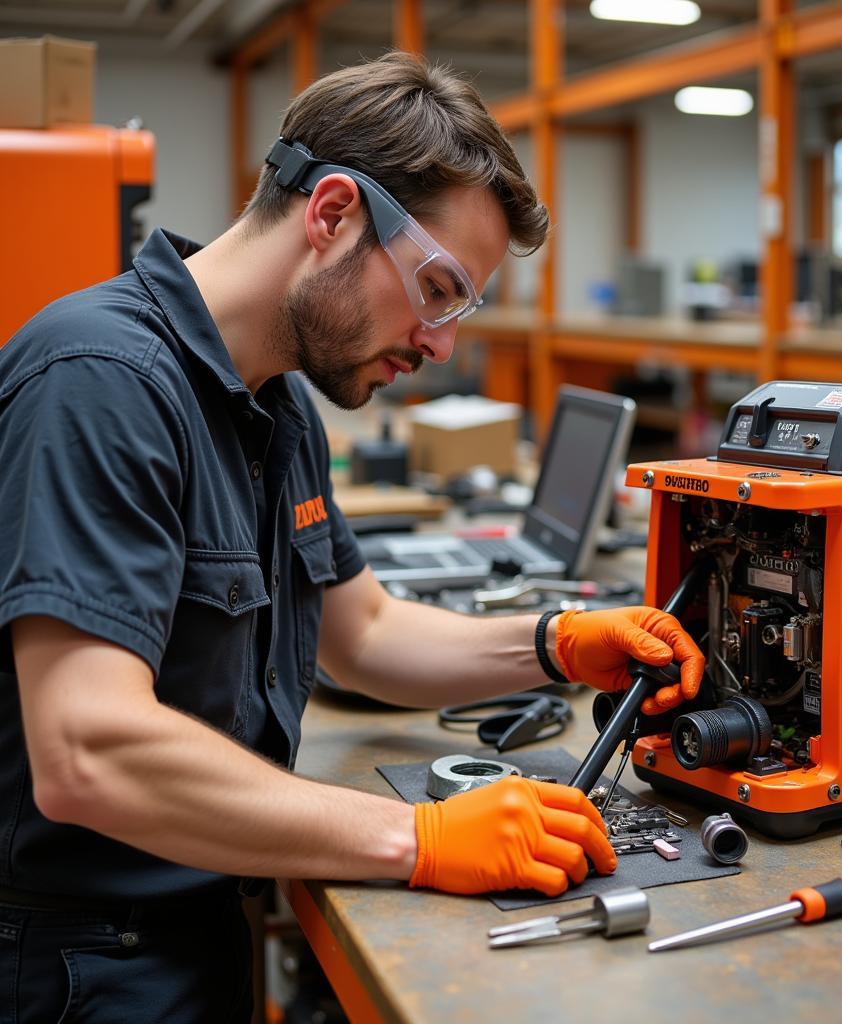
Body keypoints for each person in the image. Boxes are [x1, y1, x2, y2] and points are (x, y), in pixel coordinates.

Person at [0, 52, 703, 1020]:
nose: (442, 341)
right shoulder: (99, 382)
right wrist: (420, 836)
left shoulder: (279, 405)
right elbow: (88, 749)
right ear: (331, 214)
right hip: (78, 961)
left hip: (197, 916)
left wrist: (556, 643)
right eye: (438, 286)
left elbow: (362, 631)